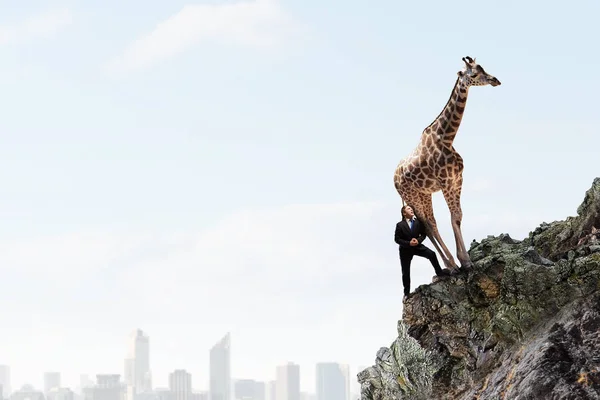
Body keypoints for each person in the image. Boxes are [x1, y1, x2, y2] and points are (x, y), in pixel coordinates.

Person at [394, 205, 451, 298]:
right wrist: (408, 243)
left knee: (432, 254)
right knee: (406, 271)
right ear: (404, 213)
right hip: (405, 250)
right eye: (408, 209)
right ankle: (406, 293)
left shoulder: (418, 222)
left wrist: (418, 241)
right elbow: (397, 239)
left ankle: (439, 273)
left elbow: (423, 234)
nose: (411, 209)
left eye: (412, 208)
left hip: (417, 246)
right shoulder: (400, 225)